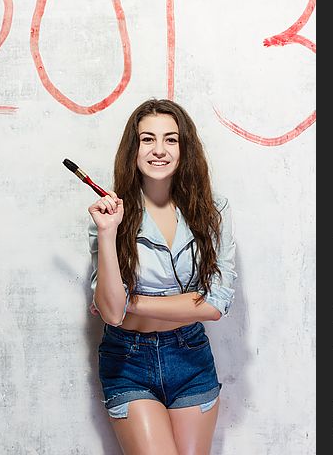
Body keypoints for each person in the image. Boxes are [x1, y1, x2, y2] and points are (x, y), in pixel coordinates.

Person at [88, 98, 237, 455]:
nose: (159, 150)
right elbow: (111, 312)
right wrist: (108, 233)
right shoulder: (111, 215)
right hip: (128, 359)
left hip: (190, 356)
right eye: (147, 139)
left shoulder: (215, 210)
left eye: (171, 139)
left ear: (185, 148)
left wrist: (133, 302)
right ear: (133, 149)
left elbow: (215, 303)